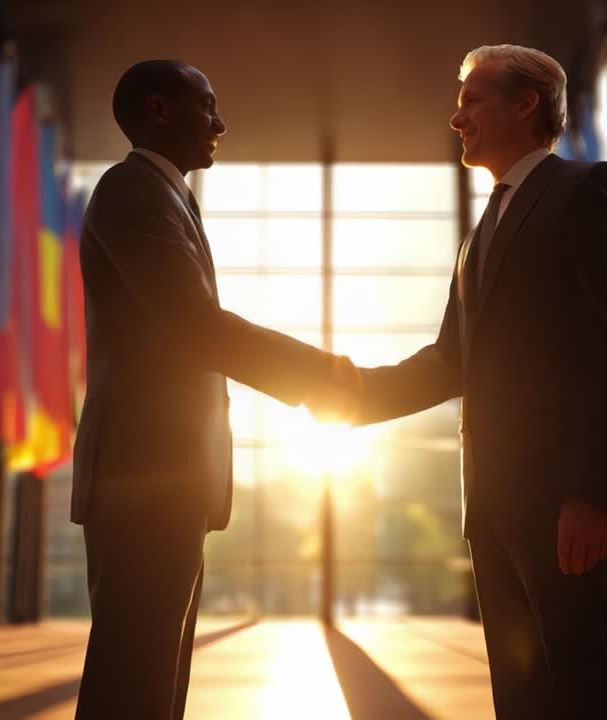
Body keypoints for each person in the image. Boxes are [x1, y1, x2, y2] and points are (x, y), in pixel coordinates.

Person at [319, 45, 607, 718]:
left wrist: (592, 493)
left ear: (525, 103)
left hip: (566, 507)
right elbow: (450, 363)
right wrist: (345, 395)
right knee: (525, 697)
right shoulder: (480, 234)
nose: (456, 117)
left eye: (471, 99)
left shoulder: (590, 189)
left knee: (590, 690)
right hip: (493, 511)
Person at [71, 59, 359, 719]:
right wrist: (322, 379)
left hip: (163, 483)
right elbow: (196, 328)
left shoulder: (164, 195)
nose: (221, 123)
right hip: (141, 481)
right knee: (134, 679)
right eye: (207, 105)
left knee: (154, 680)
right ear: (159, 109)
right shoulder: (131, 190)